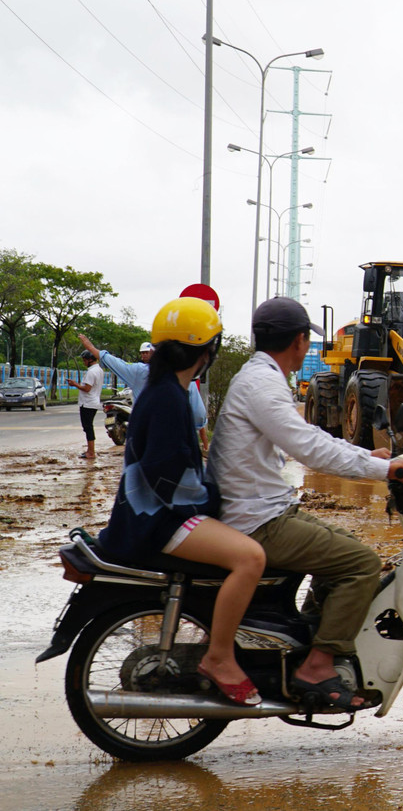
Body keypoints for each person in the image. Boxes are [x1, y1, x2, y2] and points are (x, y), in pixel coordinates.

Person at [208, 296, 403, 711]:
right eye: (307, 340)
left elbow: (310, 438)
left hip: (264, 508)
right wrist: (383, 469)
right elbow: (309, 448)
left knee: (348, 547)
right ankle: (318, 665)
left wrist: (366, 455)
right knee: (362, 564)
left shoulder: (258, 377)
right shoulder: (263, 385)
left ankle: (309, 639)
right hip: (257, 520)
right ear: (299, 341)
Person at [97, 298, 266, 706]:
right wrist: (215, 500)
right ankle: (219, 657)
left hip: (147, 514)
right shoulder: (170, 398)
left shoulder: (163, 389)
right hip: (157, 521)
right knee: (251, 558)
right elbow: (170, 479)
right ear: (206, 352)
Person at [79, 334, 210, 452]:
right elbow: (199, 414)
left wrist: (92, 348)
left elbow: (115, 363)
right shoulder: (187, 378)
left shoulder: (139, 372)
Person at [66, 349, 104, 460]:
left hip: (88, 403)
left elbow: (87, 388)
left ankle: (91, 452)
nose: (83, 362)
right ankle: (90, 450)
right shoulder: (99, 370)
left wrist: (75, 384)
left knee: (88, 427)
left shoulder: (91, 372)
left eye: (84, 360)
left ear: (90, 360)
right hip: (93, 402)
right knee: (88, 427)